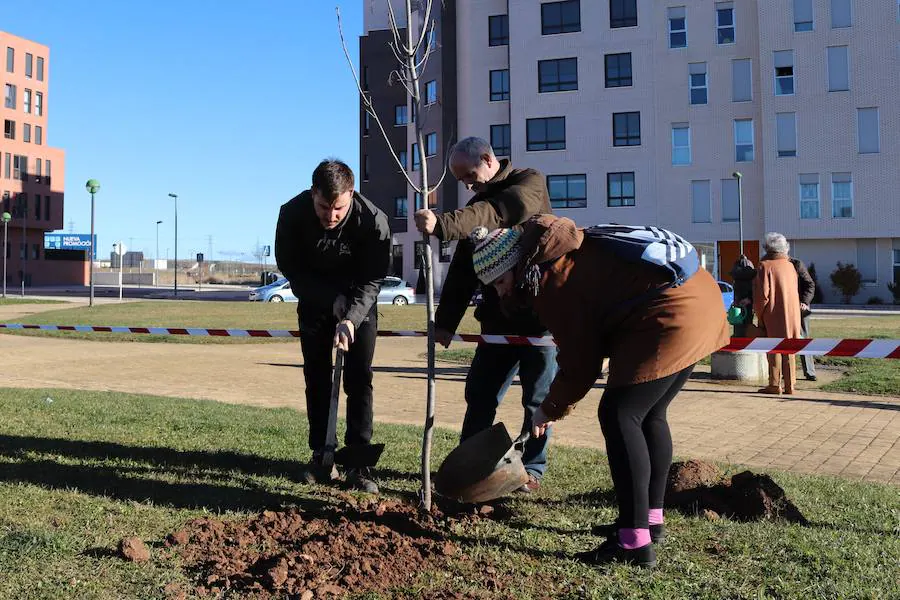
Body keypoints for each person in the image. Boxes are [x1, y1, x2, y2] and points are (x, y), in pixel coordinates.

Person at [469, 215, 728, 568]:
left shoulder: (552, 280)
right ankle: (649, 523)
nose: (500, 292)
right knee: (649, 415)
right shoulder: (562, 251)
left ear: (517, 265)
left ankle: (634, 544)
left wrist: (550, 407)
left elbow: (581, 363)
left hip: (671, 314)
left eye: (500, 282)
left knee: (620, 414)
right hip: (701, 301)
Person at [413, 136, 556, 493]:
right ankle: (471, 463)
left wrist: (443, 223)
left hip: (540, 323)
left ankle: (531, 471)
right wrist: (445, 324)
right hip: (497, 325)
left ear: (489, 159)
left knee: (537, 400)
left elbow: (498, 212)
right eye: (461, 180)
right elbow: (463, 271)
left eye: (470, 175)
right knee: (480, 396)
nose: (468, 184)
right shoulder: (477, 205)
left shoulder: (529, 184)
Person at [275, 159, 390, 493]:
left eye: (338, 208)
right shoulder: (292, 214)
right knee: (317, 375)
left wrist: (351, 317)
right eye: (324, 207)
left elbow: (373, 279)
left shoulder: (373, 221)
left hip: (360, 301)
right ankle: (321, 453)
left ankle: (358, 463)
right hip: (314, 300)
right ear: (313, 194)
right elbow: (291, 268)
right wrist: (329, 300)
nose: (331, 215)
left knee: (358, 378)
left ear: (351, 195)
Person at [753, 233, 802, 395]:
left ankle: (774, 384)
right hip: (792, 313)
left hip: (773, 313)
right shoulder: (790, 265)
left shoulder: (764, 266)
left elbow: (762, 296)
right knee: (790, 347)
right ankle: (790, 385)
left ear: (767, 248)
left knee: (773, 348)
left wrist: (759, 316)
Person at [790, 256, 817, 381]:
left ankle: (810, 371)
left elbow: (810, 284)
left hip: (800, 307)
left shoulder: (797, 264)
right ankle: (786, 372)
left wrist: (804, 302)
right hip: (782, 307)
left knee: (803, 338)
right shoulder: (769, 263)